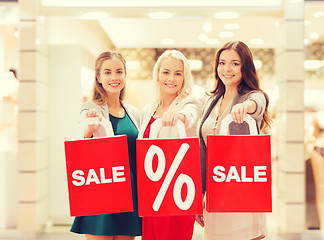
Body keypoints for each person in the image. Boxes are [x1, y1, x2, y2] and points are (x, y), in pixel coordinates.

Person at [197, 41, 271, 240]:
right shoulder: (212, 102)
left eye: (234, 63)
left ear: (245, 67)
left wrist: (246, 106)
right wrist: (200, 193)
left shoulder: (251, 96)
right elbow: (203, 151)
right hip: (216, 189)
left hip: (241, 188)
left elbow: (259, 102)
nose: (226, 69)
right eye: (222, 63)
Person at [70, 51, 142, 240]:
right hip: (101, 190)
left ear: (125, 75)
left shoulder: (134, 113)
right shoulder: (90, 109)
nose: (114, 77)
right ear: (99, 77)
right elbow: (79, 149)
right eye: (108, 72)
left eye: (119, 71)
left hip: (130, 193)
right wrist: (88, 130)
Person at [138, 49, 201, 240]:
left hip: (177, 191)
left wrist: (178, 116)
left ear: (184, 78)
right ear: (157, 74)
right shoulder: (148, 110)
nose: (171, 78)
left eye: (178, 73)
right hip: (153, 191)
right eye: (166, 72)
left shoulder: (189, 102)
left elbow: (190, 116)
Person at [310, 111, 324, 230]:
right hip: (319, 148)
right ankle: (322, 222)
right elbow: (315, 134)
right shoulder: (318, 115)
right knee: (320, 188)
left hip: (319, 147)